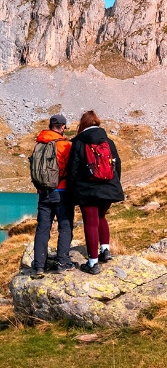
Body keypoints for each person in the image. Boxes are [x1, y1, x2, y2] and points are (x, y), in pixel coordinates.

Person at [67, 110, 124, 275]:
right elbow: (117, 164)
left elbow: (73, 169)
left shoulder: (79, 142)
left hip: (88, 189)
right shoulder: (108, 141)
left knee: (90, 222)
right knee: (101, 217)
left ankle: (92, 263)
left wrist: (72, 191)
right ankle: (105, 250)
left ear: (83, 124)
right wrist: (114, 184)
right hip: (109, 187)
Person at [32, 114, 75, 278]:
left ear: (50, 126)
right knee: (65, 226)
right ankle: (62, 262)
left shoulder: (40, 143)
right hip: (61, 191)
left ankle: (39, 267)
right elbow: (71, 169)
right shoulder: (64, 145)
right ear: (63, 127)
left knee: (42, 229)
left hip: (43, 192)